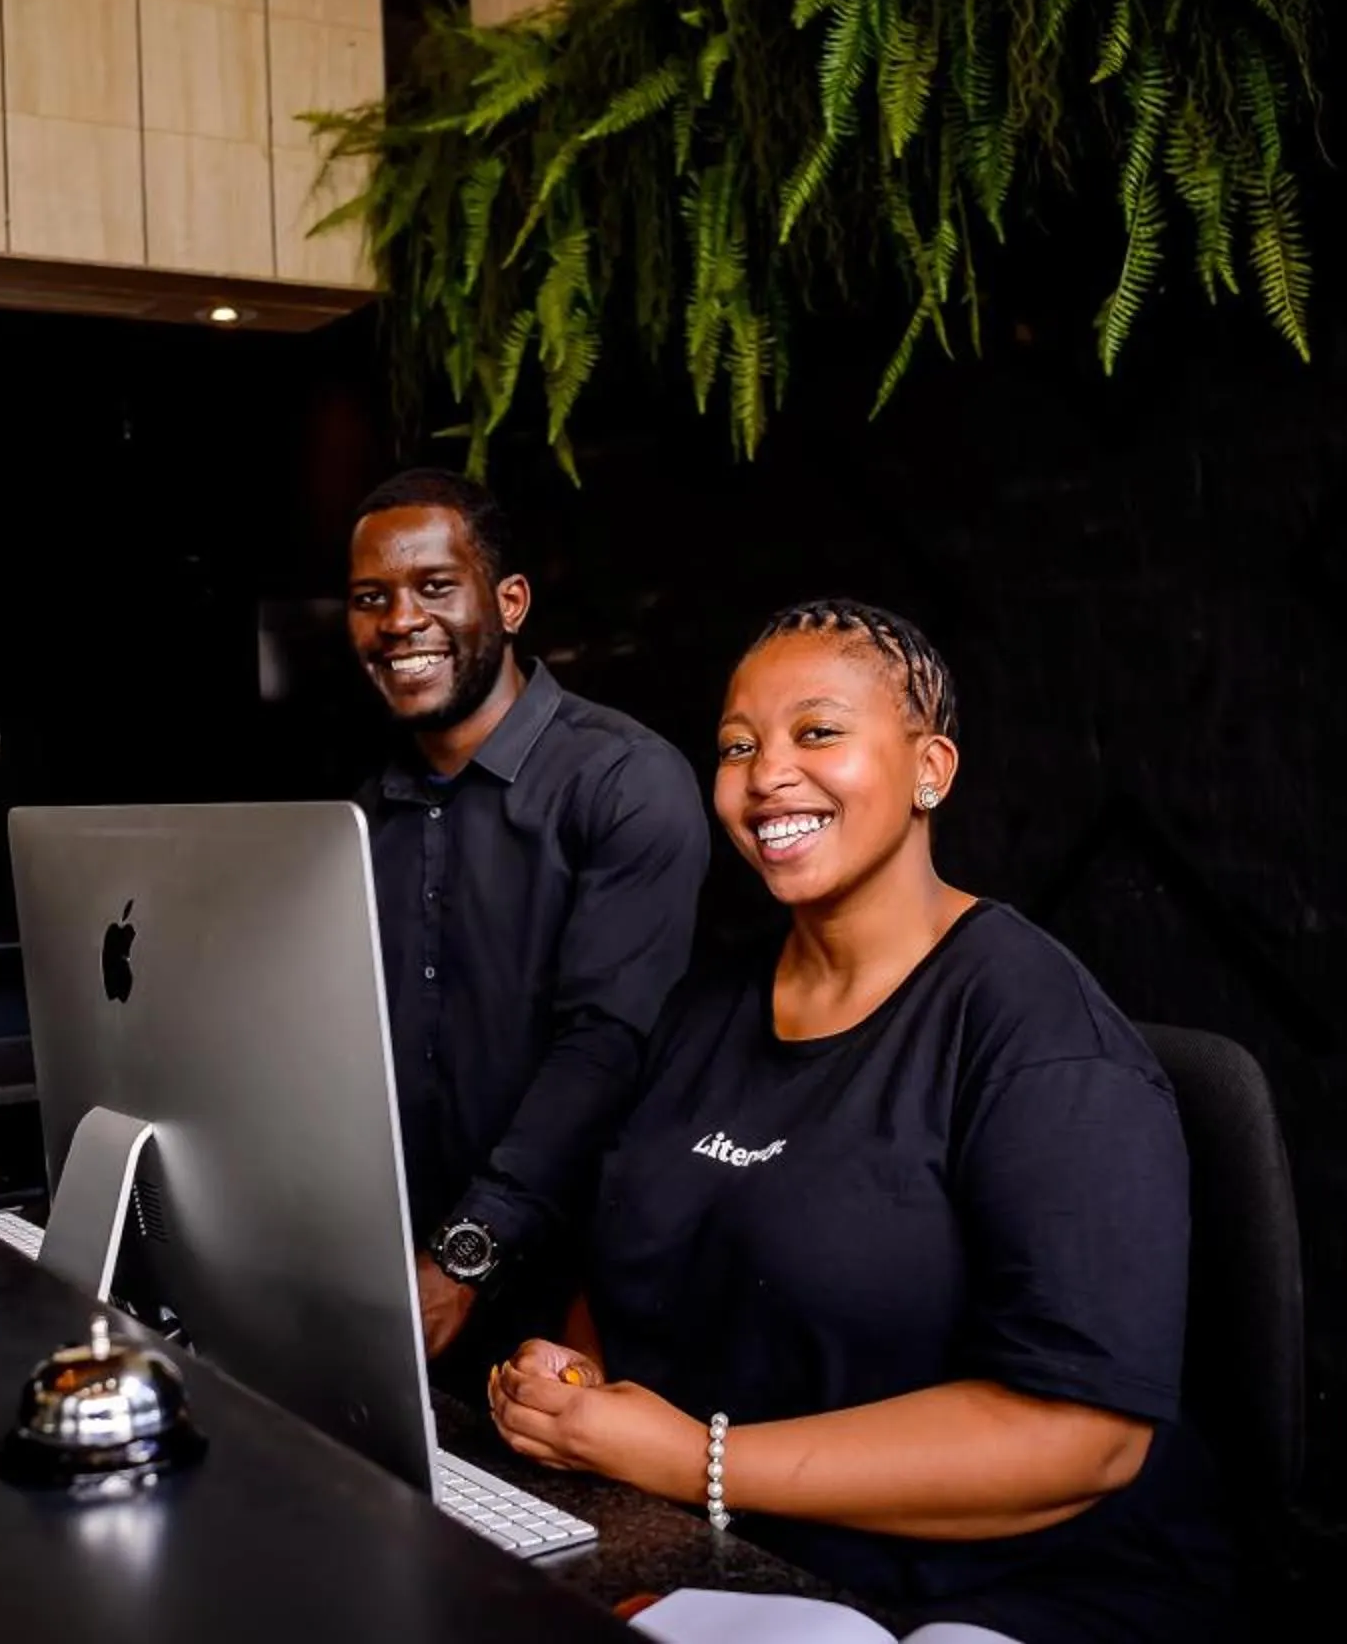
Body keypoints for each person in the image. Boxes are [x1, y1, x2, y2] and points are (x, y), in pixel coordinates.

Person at [489, 601, 1231, 1643]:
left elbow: (1085, 1435)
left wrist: (691, 1457)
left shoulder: (1038, 1033)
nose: (767, 773)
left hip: (1010, 1593)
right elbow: (632, 1248)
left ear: (931, 768)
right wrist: (578, 1388)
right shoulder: (704, 1008)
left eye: (818, 732)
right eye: (738, 745)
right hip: (762, 1559)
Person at [346, 469, 712, 1370]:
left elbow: (605, 1046)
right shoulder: (363, 811)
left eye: (435, 587)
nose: (399, 622)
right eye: (370, 598)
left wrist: (463, 1254)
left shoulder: (625, 781)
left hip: (581, 1307)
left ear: (509, 602)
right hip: (399, 1289)